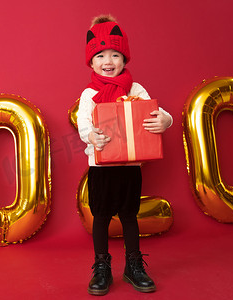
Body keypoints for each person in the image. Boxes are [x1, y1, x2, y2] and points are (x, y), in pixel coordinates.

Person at [76, 15, 173, 296]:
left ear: (124, 60)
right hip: (101, 165)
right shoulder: (89, 93)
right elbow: (84, 122)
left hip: (130, 165)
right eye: (101, 55)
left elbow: (155, 110)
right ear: (91, 62)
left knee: (130, 215)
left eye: (116, 55)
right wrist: (91, 135)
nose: (109, 60)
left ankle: (133, 265)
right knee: (102, 216)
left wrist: (164, 121)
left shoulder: (135, 89)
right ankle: (102, 266)